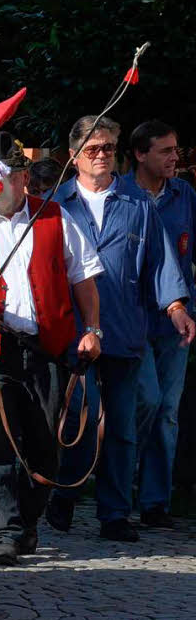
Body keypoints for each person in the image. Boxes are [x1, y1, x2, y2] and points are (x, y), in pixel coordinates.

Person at [47, 115, 195, 542]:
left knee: (124, 427)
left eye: (108, 148)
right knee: (80, 415)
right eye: (92, 148)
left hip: (126, 330)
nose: (101, 155)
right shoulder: (56, 206)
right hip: (75, 332)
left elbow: (161, 264)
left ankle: (114, 513)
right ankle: (66, 492)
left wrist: (176, 307)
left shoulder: (138, 204)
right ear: (74, 154)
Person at [0, 132, 103, 565]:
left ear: (23, 178)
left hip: (47, 347)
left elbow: (83, 276)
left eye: (3, 177)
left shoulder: (55, 217)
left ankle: (26, 524)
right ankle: (2, 532)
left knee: (47, 444)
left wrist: (93, 329)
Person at [126, 120, 195, 529]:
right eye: (165, 151)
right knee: (145, 401)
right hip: (131, 319)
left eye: (176, 149)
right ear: (139, 154)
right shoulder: (121, 195)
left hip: (176, 323)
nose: (174, 157)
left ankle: (155, 502)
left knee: (168, 410)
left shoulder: (184, 195)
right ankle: (119, 482)